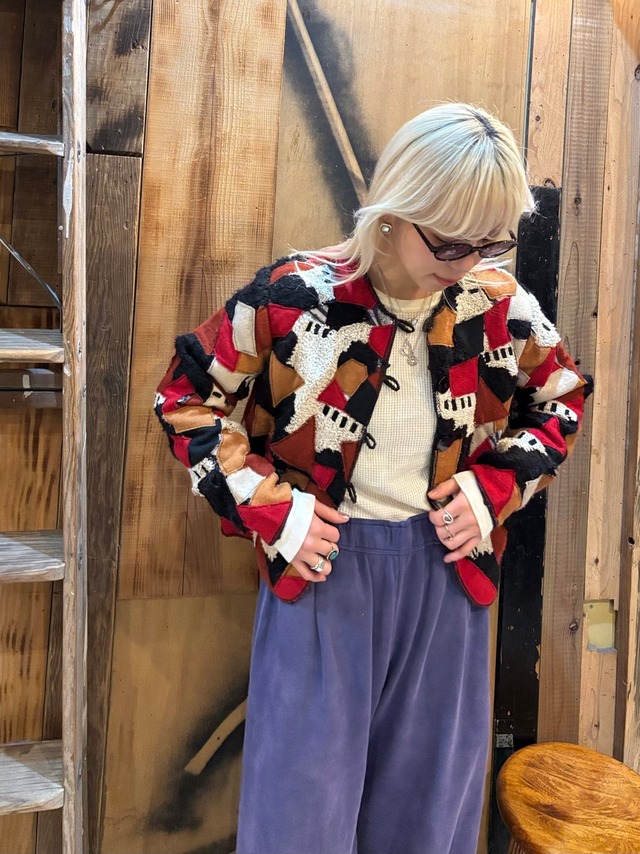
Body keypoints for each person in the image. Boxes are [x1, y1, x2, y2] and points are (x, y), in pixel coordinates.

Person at [155, 103, 590, 854]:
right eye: (449, 239)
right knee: (298, 820)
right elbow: (185, 400)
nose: (467, 261)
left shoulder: (500, 306)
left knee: (428, 817)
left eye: (490, 241)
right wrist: (275, 509)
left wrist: (493, 490)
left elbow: (562, 399)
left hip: (450, 575)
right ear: (394, 209)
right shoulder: (293, 297)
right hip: (322, 571)